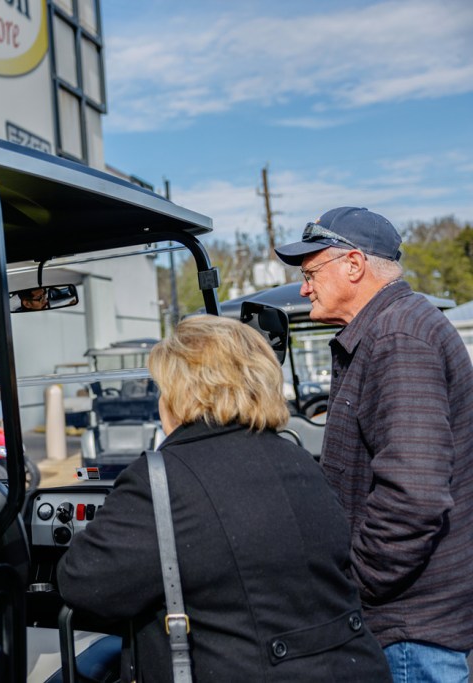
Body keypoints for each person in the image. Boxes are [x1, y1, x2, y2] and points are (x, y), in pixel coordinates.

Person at [57, 316, 390, 682]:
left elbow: (84, 584)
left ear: (182, 393)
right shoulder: (297, 459)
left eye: (163, 389)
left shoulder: (160, 479)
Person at [275, 207, 473, 682]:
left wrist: (355, 581)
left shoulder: (398, 337)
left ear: (354, 265)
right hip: (410, 624)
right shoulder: (390, 329)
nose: (304, 287)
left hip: (410, 631)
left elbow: (416, 496)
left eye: (310, 272)